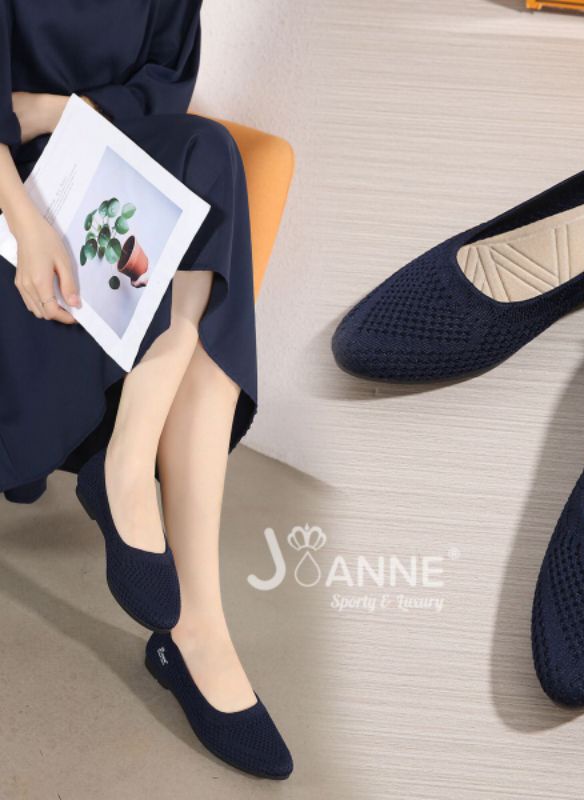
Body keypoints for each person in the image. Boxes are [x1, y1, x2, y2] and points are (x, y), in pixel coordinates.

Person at [0, 0, 292, 779]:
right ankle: (190, 626)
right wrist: (25, 221)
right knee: (199, 226)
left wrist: (57, 112)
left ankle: (186, 594)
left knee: (209, 154)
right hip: (9, 197)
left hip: (86, 160)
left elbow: (166, 82)